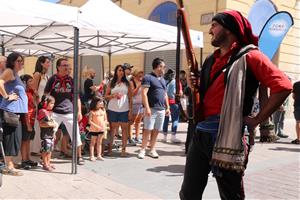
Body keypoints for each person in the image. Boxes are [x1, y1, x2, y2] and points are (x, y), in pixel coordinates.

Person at [179, 10, 292, 200]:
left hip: (230, 133)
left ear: (229, 29)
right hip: (201, 132)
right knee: (188, 193)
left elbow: (283, 86)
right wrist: (194, 86)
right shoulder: (211, 59)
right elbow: (204, 94)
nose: (210, 30)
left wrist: (257, 119)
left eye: (214, 25)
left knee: (231, 196)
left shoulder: (251, 56)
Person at [44, 58, 84, 165]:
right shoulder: (53, 79)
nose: (67, 67)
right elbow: (46, 94)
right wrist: (47, 109)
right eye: (64, 65)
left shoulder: (71, 80)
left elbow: (77, 97)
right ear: (58, 67)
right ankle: (47, 159)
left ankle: (79, 157)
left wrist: (79, 111)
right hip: (55, 112)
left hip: (69, 112)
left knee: (76, 135)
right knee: (50, 136)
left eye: (68, 65)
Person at [0, 53, 28, 176]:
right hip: (10, 111)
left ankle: (8, 164)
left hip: (16, 111)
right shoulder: (9, 72)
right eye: (18, 60)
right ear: (12, 61)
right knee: (12, 139)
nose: (21, 63)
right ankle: (8, 166)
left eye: (22, 60)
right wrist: (7, 96)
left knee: (14, 138)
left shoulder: (16, 74)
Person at [137, 58, 170, 159]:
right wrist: (146, 108)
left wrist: (168, 107)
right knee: (147, 129)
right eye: (163, 66)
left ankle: (152, 149)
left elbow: (165, 94)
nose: (164, 69)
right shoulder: (147, 77)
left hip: (161, 109)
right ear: (158, 67)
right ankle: (142, 149)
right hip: (151, 108)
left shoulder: (163, 79)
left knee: (156, 130)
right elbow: (144, 93)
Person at [105, 65, 132, 157]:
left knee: (124, 130)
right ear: (116, 71)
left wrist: (130, 111)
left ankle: (123, 150)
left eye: (123, 70)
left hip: (124, 109)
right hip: (112, 108)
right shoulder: (111, 83)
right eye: (120, 70)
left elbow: (130, 97)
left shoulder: (127, 83)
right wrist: (113, 96)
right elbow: (106, 96)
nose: (121, 72)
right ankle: (109, 150)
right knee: (112, 130)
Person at [31, 56, 51, 155]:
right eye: (47, 62)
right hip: (37, 103)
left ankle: (40, 147)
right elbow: (33, 89)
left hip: (44, 104)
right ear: (41, 63)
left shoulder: (46, 76)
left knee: (42, 125)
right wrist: (38, 102)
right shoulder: (37, 74)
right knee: (37, 125)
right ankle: (35, 149)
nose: (49, 64)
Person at [20, 74, 38, 170]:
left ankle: (28, 158)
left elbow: (36, 103)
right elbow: (25, 110)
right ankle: (23, 160)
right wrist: (27, 124)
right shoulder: (24, 93)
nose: (33, 83)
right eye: (30, 81)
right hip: (26, 120)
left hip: (32, 119)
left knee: (28, 141)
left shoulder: (31, 92)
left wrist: (36, 93)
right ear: (25, 83)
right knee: (24, 141)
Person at [37, 95, 58, 171]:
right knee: (45, 150)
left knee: (50, 150)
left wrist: (54, 133)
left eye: (53, 103)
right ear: (46, 103)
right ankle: (45, 164)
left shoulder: (49, 112)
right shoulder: (42, 111)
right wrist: (51, 124)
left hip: (51, 134)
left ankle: (48, 163)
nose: (53, 105)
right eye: (52, 103)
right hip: (45, 135)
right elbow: (41, 123)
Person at [162, 69, 182, 143]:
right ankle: (173, 137)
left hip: (166, 102)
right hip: (174, 102)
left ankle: (164, 137)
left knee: (166, 119)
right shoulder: (177, 82)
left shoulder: (165, 81)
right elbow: (180, 93)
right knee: (175, 119)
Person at [88, 96, 107, 161]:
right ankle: (92, 155)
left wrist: (103, 125)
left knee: (99, 142)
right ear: (95, 102)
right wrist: (97, 126)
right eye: (100, 102)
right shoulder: (92, 111)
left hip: (101, 129)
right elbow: (90, 121)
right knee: (93, 142)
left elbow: (105, 119)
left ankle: (99, 155)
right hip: (94, 129)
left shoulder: (103, 110)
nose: (102, 103)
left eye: (102, 102)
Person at [129, 69, 144, 144]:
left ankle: (137, 137)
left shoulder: (142, 82)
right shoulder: (132, 82)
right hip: (134, 104)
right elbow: (132, 94)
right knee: (132, 121)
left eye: (142, 75)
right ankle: (130, 138)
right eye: (139, 75)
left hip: (141, 104)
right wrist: (138, 86)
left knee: (138, 121)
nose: (141, 77)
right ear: (135, 75)